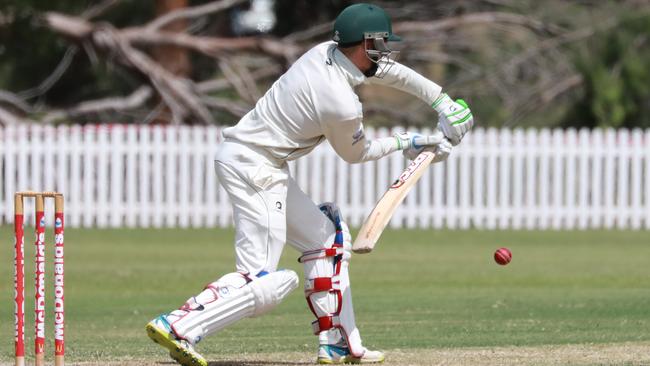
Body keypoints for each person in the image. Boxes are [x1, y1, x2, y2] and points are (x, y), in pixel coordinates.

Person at [145, 3, 474, 365]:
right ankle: (179, 325)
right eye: (379, 45)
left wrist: (441, 100)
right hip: (256, 169)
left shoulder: (324, 52)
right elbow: (356, 154)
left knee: (325, 241)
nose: (384, 53)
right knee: (263, 281)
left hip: (257, 162)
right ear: (364, 45)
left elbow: (389, 73)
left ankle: (337, 344)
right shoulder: (340, 102)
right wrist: (410, 143)